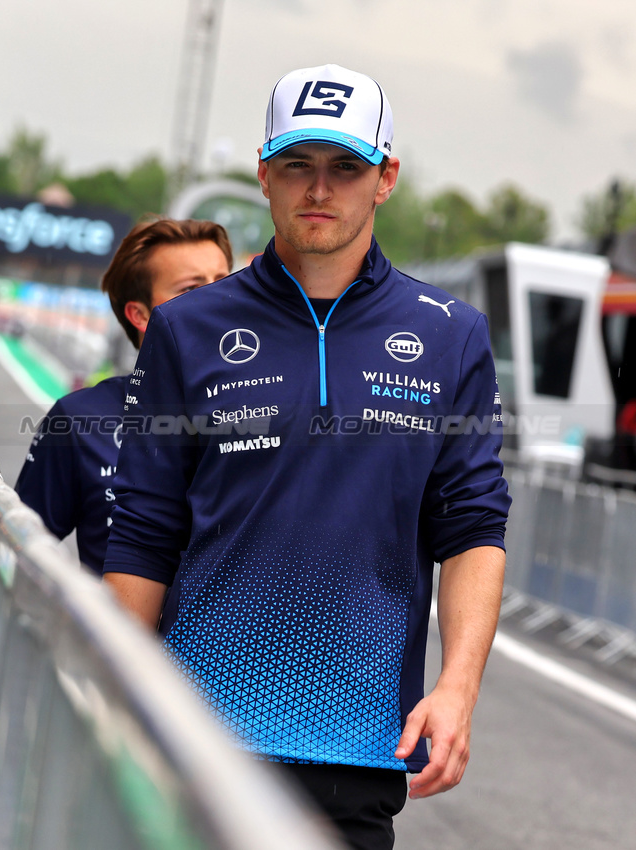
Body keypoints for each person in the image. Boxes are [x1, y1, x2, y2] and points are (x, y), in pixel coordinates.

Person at [101, 65, 510, 850]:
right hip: (193, 732)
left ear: (384, 177)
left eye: (344, 167)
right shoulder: (186, 329)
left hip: (356, 748)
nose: (318, 188)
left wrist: (456, 690)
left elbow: (472, 530)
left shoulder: (450, 335)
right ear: (262, 173)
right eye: (296, 164)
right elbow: (142, 533)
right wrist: (110, 692)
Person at [15, 218, 232, 575]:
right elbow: (16, 555)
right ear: (140, 314)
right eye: (191, 289)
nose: (218, 301)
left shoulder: (276, 405)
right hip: (117, 629)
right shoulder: (79, 420)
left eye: (225, 282)